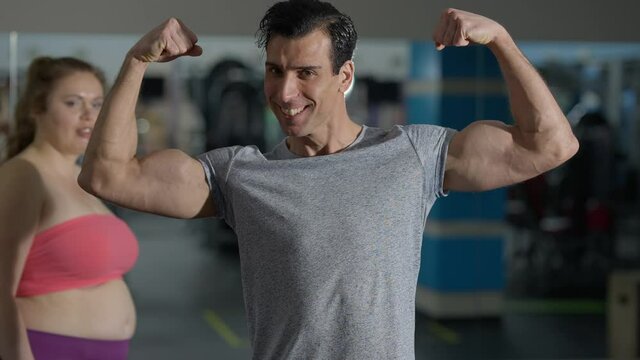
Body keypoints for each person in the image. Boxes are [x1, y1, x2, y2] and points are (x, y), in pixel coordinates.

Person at [78, 0, 579, 358]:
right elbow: (108, 175)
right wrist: (136, 62)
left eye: (306, 73)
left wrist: (503, 41)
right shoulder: (241, 175)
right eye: (274, 71)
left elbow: (550, 144)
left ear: (345, 76)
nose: (285, 91)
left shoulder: (412, 155)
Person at [0, 57, 138, 360]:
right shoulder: (24, 175)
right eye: (73, 103)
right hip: (49, 348)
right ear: (37, 108)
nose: (89, 115)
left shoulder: (82, 182)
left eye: (98, 103)